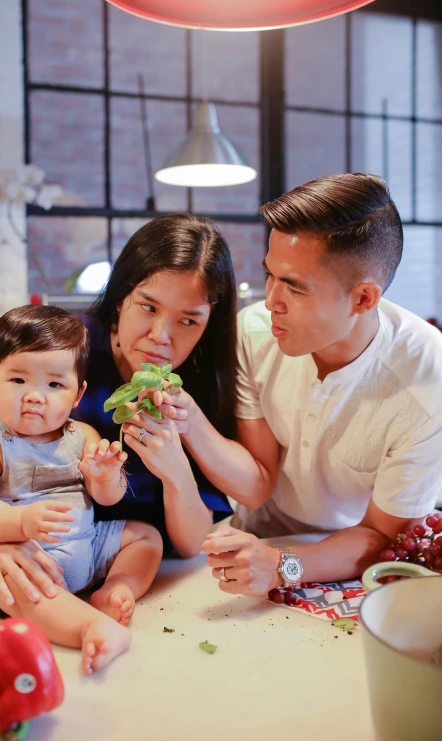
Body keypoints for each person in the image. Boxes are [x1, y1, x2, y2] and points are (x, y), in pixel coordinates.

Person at [139, 173, 442, 597]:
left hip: (343, 560)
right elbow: (259, 477)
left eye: (294, 288)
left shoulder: (428, 382)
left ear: (363, 299)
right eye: (270, 275)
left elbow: (383, 536)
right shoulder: (255, 331)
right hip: (244, 540)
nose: (269, 301)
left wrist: (285, 565)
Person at [0, 214, 236, 609]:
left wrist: (175, 468)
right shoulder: (59, 349)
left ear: (210, 324)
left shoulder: (197, 386)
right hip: (36, 568)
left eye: (189, 320)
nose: (161, 337)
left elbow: (191, 542)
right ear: (122, 296)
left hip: (149, 585)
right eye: (148, 307)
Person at [0, 304, 166, 673]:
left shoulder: (81, 435)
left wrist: (104, 476)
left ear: (77, 394)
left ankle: (116, 589)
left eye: (54, 384)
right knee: (18, 592)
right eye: (18, 380)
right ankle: (89, 627)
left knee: (146, 537)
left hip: (89, 543)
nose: (35, 395)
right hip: (28, 556)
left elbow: (109, 498)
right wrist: (19, 522)